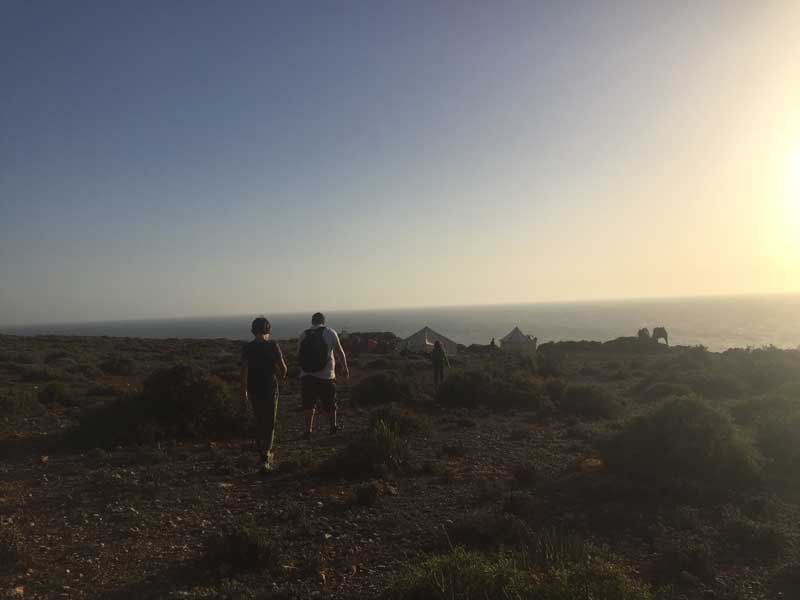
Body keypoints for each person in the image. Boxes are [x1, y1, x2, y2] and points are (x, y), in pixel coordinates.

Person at [240, 316, 287, 473]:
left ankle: (262, 451)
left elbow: (244, 371)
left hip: (253, 390)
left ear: (253, 330)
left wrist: (244, 391)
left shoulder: (247, 348)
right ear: (268, 329)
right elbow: (284, 369)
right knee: (270, 423)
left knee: (259, 421)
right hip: (270, 389)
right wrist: (281, 376)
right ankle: (265, 455)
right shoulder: (273, 345)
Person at [297, 312, 349, 439]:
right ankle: (333, 427)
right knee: (330, 402)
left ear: (312, 321)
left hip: (307, 375)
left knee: (309, 403)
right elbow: (339, 351)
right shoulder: (330, 332)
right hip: (326, 375)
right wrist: (345, 367)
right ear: (323, 321)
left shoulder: (304, 334)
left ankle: (308, 430)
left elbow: (299, 355)